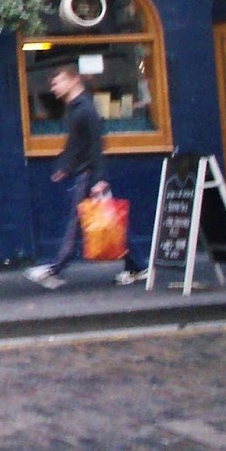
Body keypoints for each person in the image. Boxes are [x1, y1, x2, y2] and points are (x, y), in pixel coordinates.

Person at [25, 67, 146, 289]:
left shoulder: (85, 109)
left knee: (75, 222)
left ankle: (56, 268)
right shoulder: (74, 108)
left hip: (89, 173)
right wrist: (65, 167)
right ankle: (138, 265)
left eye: (58, 82)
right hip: (84, 171)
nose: (54, 87)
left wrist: (99, 178)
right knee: (109, 221)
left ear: (73, 81)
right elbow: (76, 143)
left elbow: (96, 144)